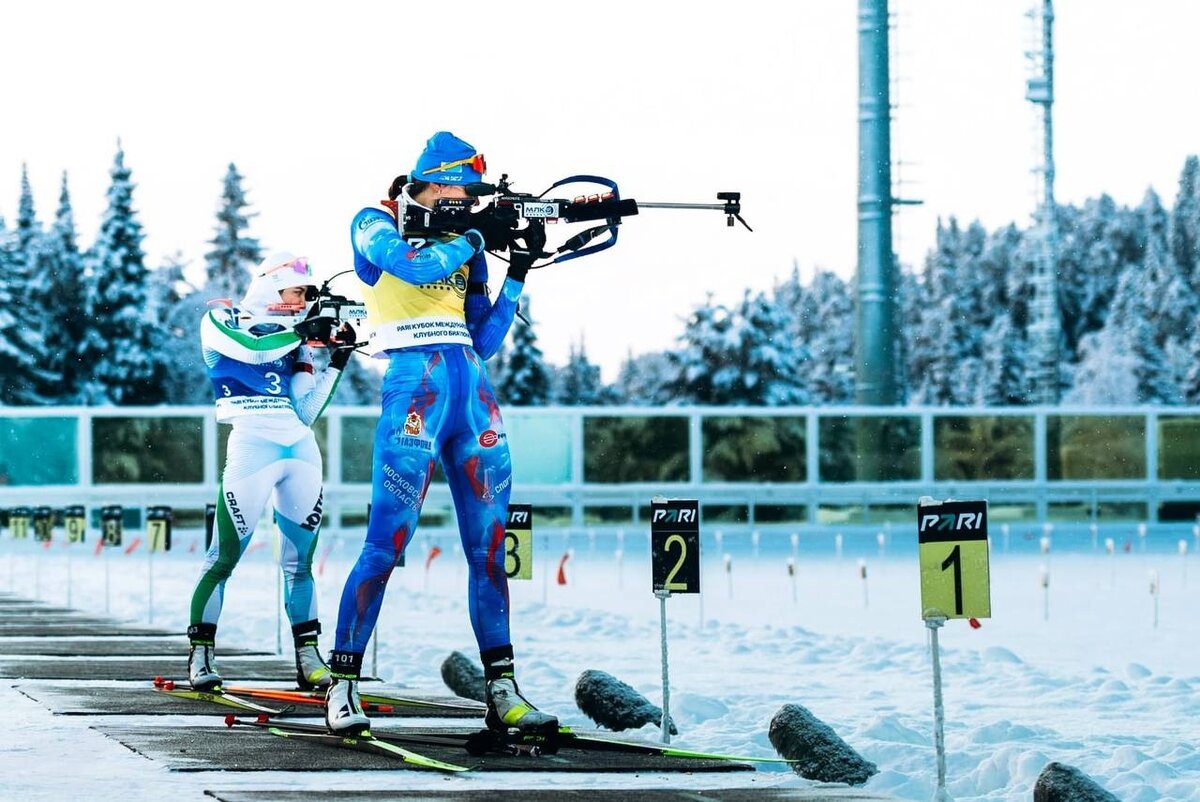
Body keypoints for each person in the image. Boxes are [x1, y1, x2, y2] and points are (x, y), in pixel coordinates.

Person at [325, 131, 556, 737]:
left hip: (473, 393)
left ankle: (503, 693)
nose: (465, 198)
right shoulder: (375, 221)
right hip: (415, 386)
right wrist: (477, 236)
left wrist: (519, 270)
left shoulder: (467, 246)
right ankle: (343, 684)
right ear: (426, 180)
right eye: (457, 187)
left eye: (472, 191)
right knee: (387, 542)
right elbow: (408, 263)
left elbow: (482, 338)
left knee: (489, 550)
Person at [188, 251, 356, 692]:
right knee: (222, 558)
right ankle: (201, 652)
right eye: (298, 292)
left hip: (298, 447)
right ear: (272, 285)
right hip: (251, 444)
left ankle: (308, 658)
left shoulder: (296, 336)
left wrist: (337, 360)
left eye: (308, 296)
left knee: (300, 565)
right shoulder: (224, 317)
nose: (304, 301)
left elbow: (307, 410)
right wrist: (302, 330)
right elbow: (253, 349)